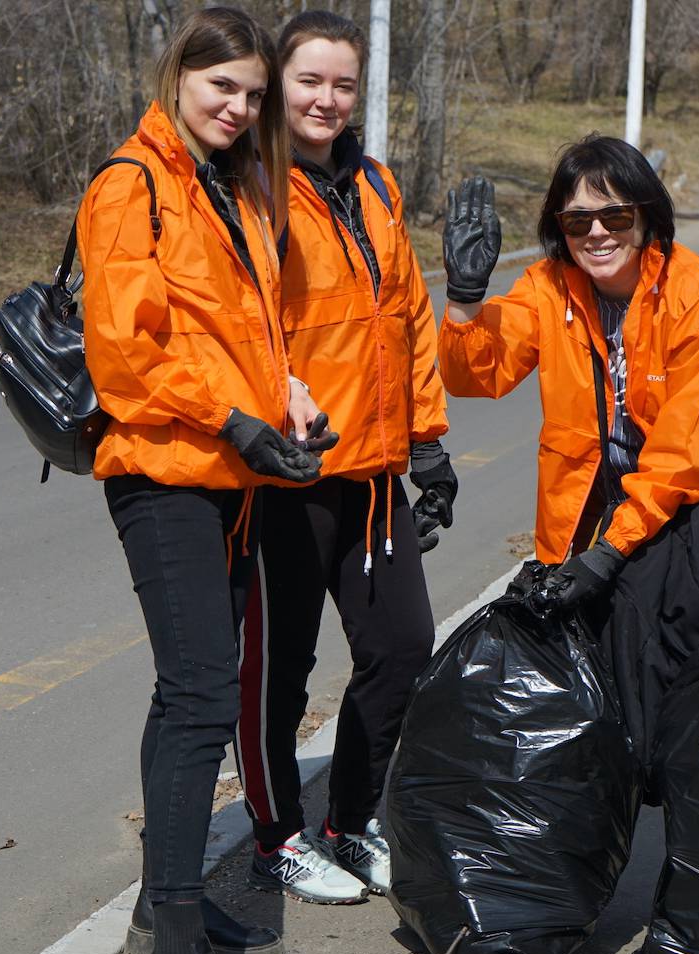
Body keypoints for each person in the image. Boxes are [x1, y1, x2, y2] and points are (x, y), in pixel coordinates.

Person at [78, 8, 335, 954]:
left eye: (253, 94)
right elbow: (124, 354)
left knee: (181, 693)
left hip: (226, 477)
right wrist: (232, 418)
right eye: (220, 85)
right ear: (177, 74)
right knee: (199, 699)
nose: (238, 106)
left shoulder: (226, 190)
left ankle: (160, 906)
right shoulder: (130, 184)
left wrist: (288, 404)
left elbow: (247, 338)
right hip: (160, 471)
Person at [234, 9, 454, 907]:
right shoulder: (249, 185)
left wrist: (429, 443)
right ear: (276, 88)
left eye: (343, 84)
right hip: (288, 473)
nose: (326, 99)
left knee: (402, 649)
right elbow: (241, 328)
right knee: (281, 671)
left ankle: (348, 822)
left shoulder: (374, 184)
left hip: (374, 472)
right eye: (309, 82)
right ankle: (276, 835)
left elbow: (407, 321)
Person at [436, 133, 699, 638]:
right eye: (578, 220)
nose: (597, 234)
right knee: (608, 681)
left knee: (690, 677)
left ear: (647, 216)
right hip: (615, 521)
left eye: (616, 216)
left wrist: (611, 548)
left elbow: (685, 453)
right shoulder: (549, 287)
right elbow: (474, 376)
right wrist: (464, 299)